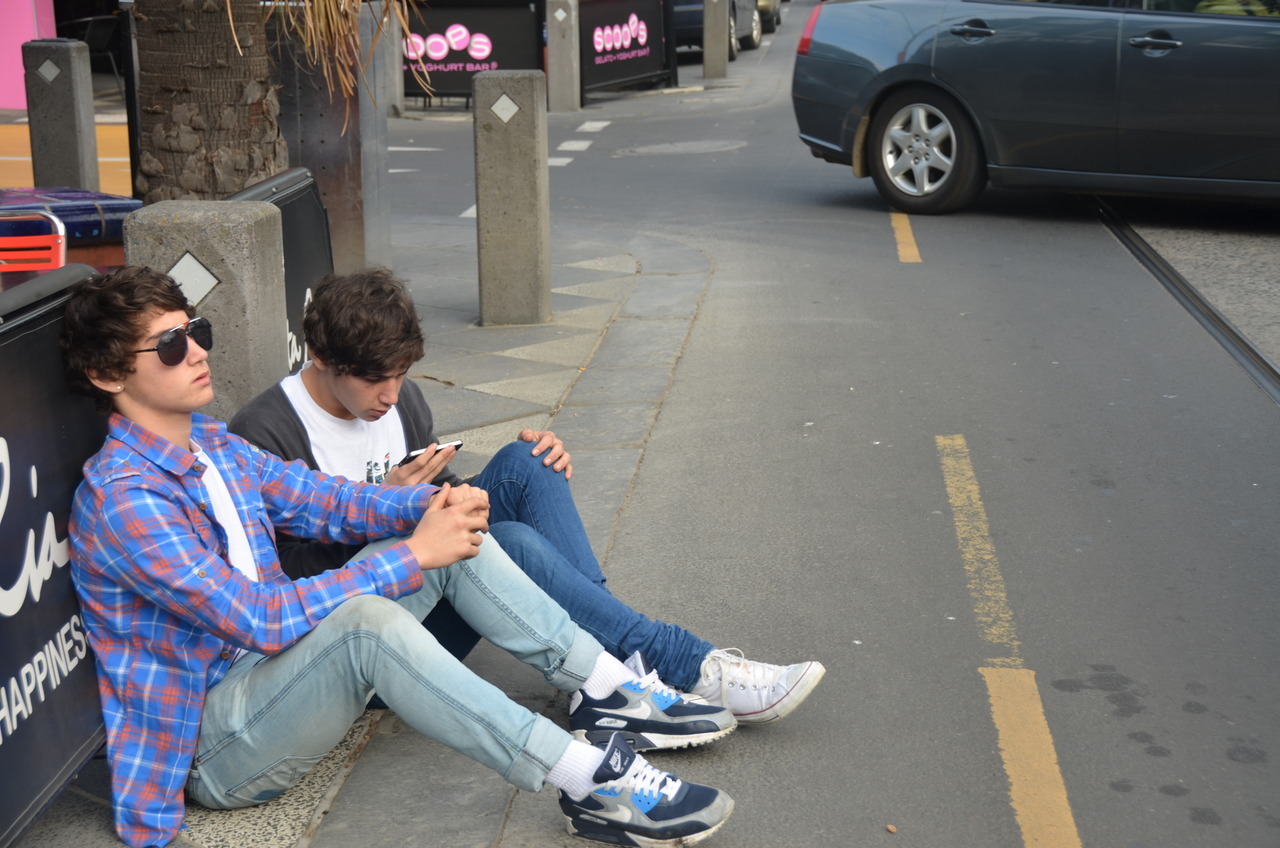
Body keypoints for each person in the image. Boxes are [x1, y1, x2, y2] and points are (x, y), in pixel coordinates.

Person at [60, 266, 736, 848]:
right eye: (171, 345)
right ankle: (587, 778)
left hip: (280, 679)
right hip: (214, 746)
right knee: (367, 622)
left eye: (197, 332)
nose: (197, 352)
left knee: (440, 543)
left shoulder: (213, 445)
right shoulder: (125, 497)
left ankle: (607, 688)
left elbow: (328, 501)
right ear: (107, 372)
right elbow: (259, 618)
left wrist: (431, 508)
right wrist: (412, 551)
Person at [229, 268, 826, 725]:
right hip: (362, 648)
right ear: (323, 359)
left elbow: (448, 505)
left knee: (525, 462)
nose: (390, 394)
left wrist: (439, 496)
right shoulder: (265, 432)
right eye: (373, 379)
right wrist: (375, 508)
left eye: (402, 373)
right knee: (508, 542)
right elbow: (270, 590)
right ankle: (669, 665)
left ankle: (602, 670)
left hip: (427, 579)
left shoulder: (402, 401)